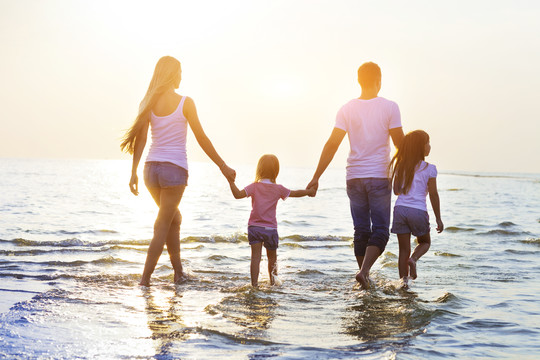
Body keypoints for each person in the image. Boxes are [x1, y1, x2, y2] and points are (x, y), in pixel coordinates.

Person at [120, 56, 236, 286]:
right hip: (174, 171)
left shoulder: (147, 102)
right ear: (173, 74)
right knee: (162, 224)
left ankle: (179, 273)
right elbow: (201, 138)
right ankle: (144, 280)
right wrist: (223, 166)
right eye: (180, 72)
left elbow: (141, 140)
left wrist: (133, 172)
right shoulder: (186, 102)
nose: (182, 76)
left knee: (174, 218)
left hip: (150, 171)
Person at [307, 62, 404, 289]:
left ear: (359, 81)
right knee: (380, 230)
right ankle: (364, 272)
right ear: (379, 80)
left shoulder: (346, 109)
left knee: (361, 230)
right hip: (379, 176)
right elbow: (401, 145)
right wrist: (404, 174)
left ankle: (364, 280)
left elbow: (331, 145)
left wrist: (316, 176)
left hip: (354, 177)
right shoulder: (390, 107)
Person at [227, 154, 315, 287]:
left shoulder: (254, 186)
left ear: (259, 169)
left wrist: (231, 182)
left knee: (255, 258)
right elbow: (295, 193)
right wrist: (309, 191)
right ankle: (273, 283)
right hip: (270, 229)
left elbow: (237, 195)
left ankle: (254, 285)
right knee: (272, 259)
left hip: (254, 227)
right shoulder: (278, 188)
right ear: (276, 171)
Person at [389, 130, 443, 286]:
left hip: (400, 209)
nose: (429, 146)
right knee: (425, 242)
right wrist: (438, 218)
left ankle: (403, 284)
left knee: (402, 250)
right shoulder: (430, 168)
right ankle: (414, 259)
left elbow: (396, 191)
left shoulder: (401, 166)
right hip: (418, 210)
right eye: (428, 143)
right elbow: (433, 194)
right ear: (421, 147)